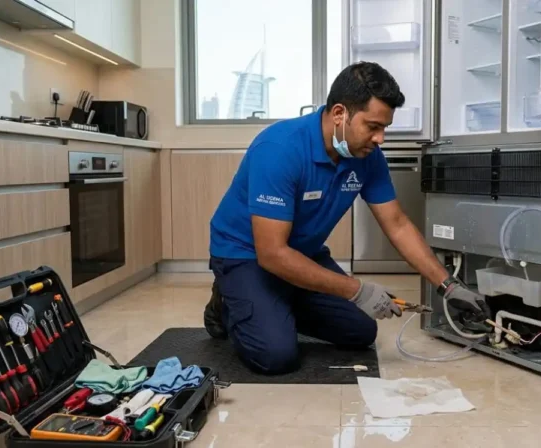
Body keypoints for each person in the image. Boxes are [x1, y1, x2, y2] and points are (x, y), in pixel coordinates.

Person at [204, 61, 488, 374]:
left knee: (360, 331)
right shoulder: (279, 149)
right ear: (340, 114)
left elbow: (397, 224)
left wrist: (448, 286)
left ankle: (274, 304)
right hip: (246, 256)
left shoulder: (367, 157)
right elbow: (271, 253)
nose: (380, 138)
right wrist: (356, 289)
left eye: (384, 129)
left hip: (302, 254)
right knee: (275, 356)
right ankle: (227, 303)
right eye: (373, 126)